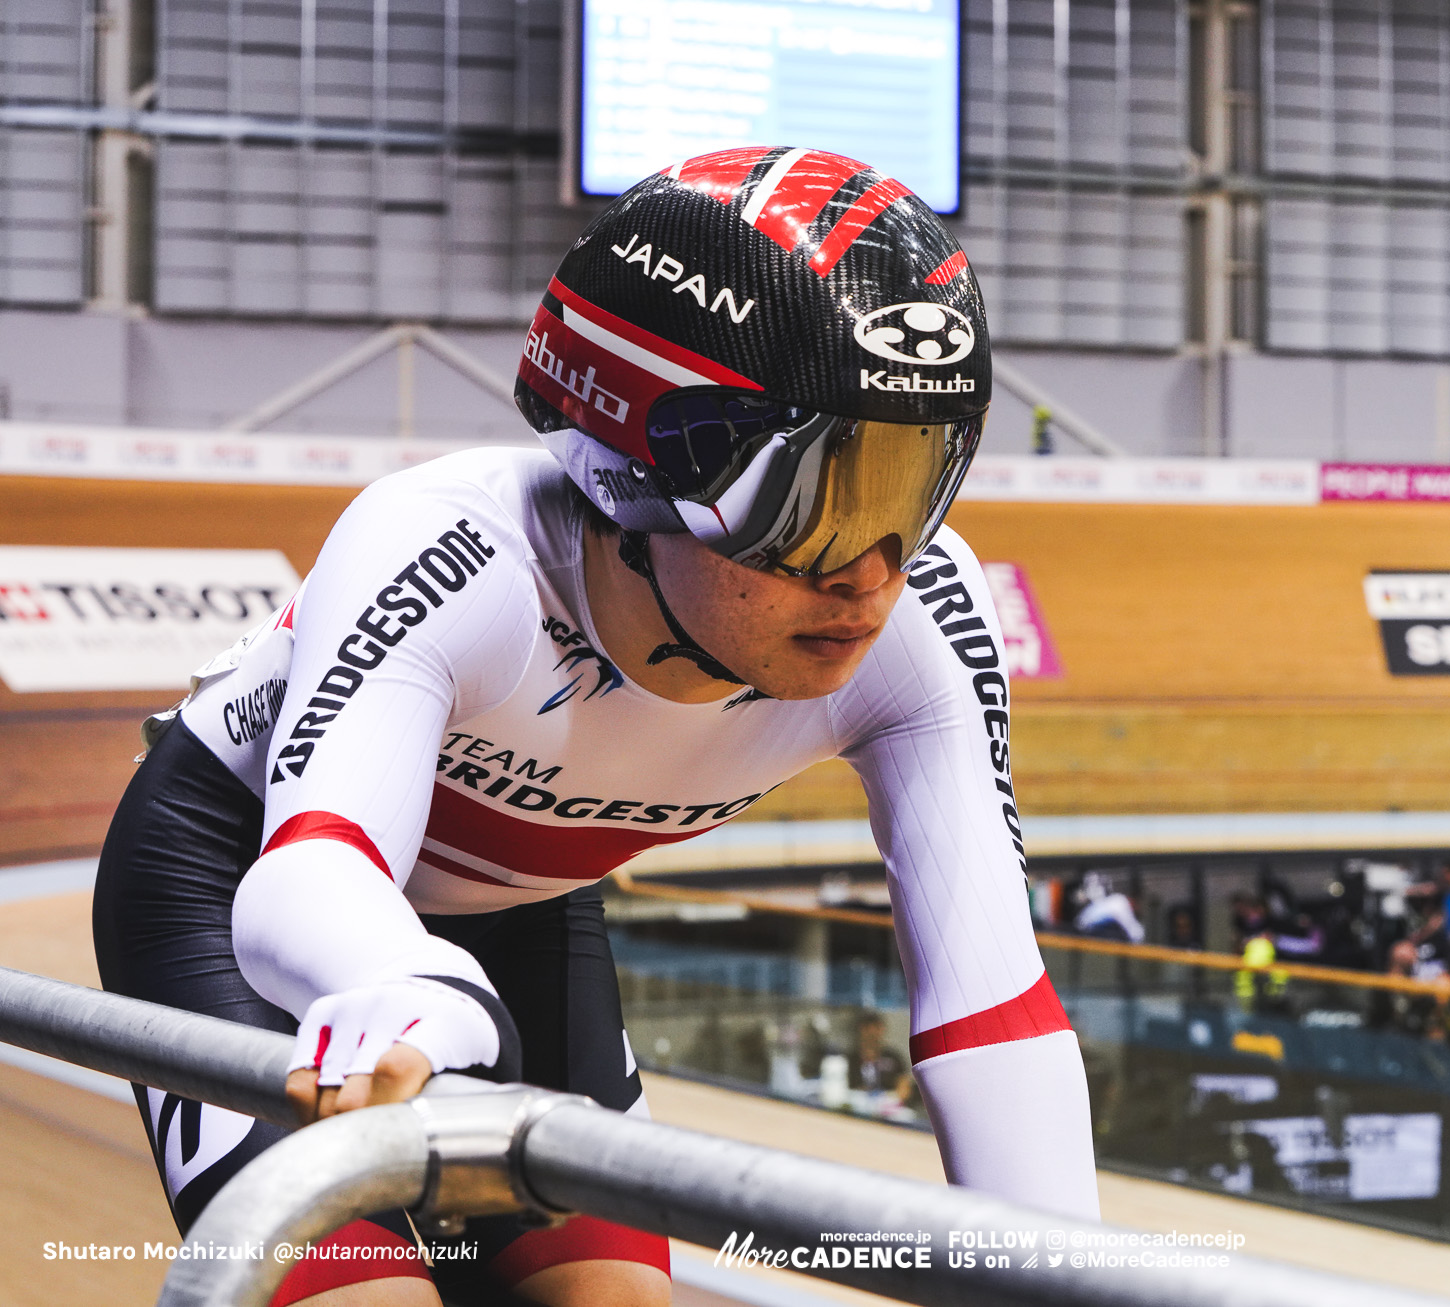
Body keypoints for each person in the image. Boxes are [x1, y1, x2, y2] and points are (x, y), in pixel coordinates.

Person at [92, 148, 1099, 1307]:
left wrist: (1069, 1282)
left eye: (915, 489)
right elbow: (308, 866)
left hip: (514, 915)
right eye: (817, 501)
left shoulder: (930, 619)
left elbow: (992, 1011)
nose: (872, 575)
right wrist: (410, 980)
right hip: (227, 880)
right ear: (638, 469)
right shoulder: (452, 548)